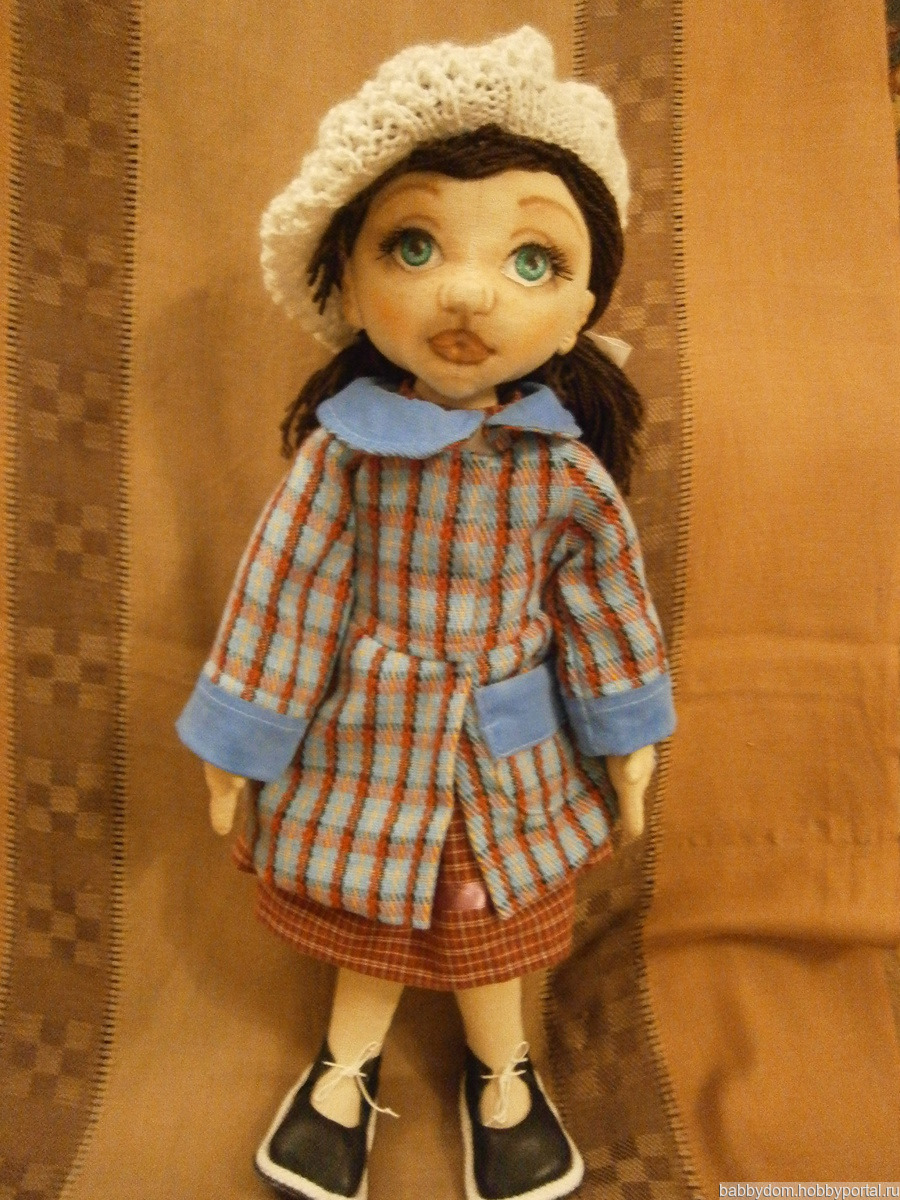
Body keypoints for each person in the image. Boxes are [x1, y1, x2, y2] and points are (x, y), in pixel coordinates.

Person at [176, 27, 675, 1200]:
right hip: (368, 745)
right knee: (373, 926)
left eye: (531, 259)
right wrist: (240, 740)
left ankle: (505, 1076)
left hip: (509, 755)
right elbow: (287, 591)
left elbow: (606, 606)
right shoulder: (345, 457)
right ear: (351, 283)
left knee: (492, 930)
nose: (465, 292)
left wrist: (627, 741)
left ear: (583, 305)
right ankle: (343, 1071)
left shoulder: (562, 471)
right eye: (414, 245)